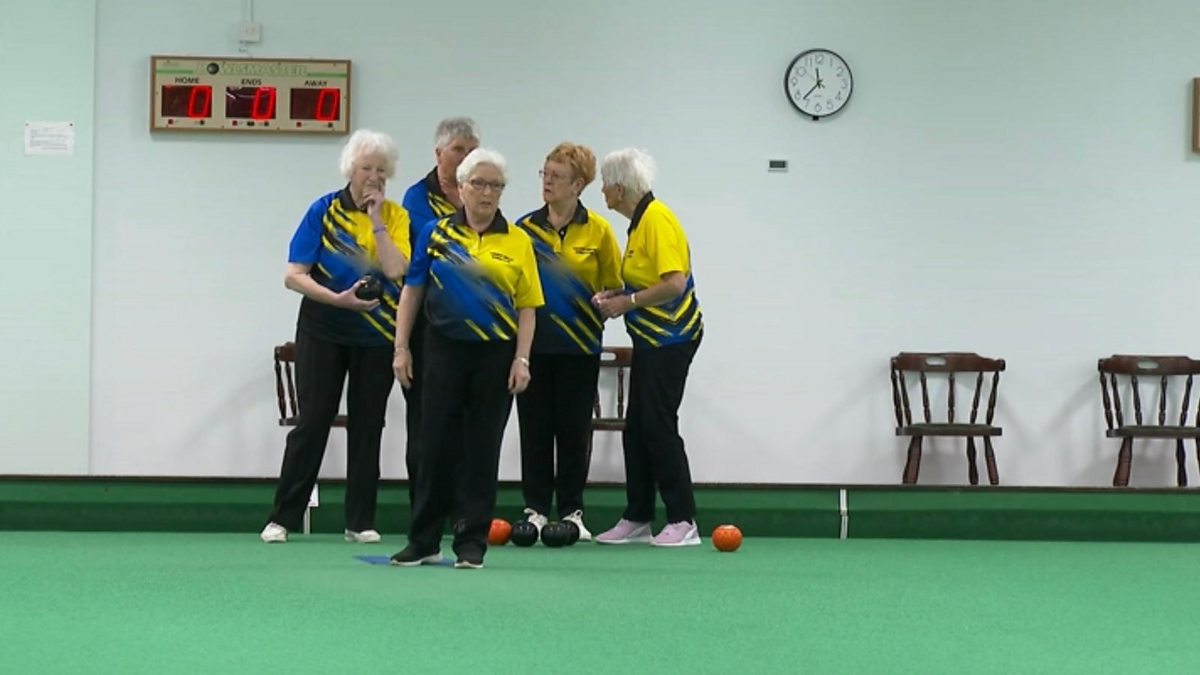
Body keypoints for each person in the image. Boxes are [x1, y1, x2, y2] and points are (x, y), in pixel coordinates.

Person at [390, 148, 543, 569]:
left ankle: (471, 541)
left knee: (481, 449)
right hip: (441, 350)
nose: (488, 193)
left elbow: (527, 306)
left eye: (496, 186)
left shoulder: (518, 241)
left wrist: (522, 359)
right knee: (432, 446)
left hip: (495, 355)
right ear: (461, 187)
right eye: (479, 184)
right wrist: (401, 347)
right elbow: (413, 291)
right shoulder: (436, 234)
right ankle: (422, 539)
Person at [261, 129, 411, 544]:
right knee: (313, 422)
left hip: (376, 335)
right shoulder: (323, 210)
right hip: (323, 329)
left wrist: (377, 219)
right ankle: (282, 517)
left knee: (369, 426)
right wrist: (337, 299)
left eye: (382, 170)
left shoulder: (397, 217)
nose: (374, 177)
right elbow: (294, 276)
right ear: (351, 169)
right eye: (367, 168)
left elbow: (396, 270)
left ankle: (359, 521)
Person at [592, 148, 704, 547]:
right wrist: (619, 295)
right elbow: (647, 280)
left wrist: (629, 303)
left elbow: (674, 282)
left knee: (657, 424)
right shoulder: (638, 224)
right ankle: (638, 516)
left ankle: (683, 519)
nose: (601, 190)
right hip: (650, 340)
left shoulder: (657, 219)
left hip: (672, 338)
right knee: (636, 427)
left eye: (605, 183)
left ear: (619, 188)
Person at [513, 143, 622, 541]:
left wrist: (605, 299)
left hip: (580, 347)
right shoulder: (523, 230)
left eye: (556, 176)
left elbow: (615, 285)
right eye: (544, 173)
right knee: (535, 429)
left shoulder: (599, 231)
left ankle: (572, 512)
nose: (547, 182)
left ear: (579, 184)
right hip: (534, 349)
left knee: (574, 432)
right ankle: (536, 508)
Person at [397, 117, 481, 506]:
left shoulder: (479, 197)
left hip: (472, 325)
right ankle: (424, 506)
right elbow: (433, 252)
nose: (466, 157)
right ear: (438, 154)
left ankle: (463, 507)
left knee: (467, 423)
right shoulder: (416, 198)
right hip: (427, 325)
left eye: (471, 150)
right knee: (427, 421)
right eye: (458, 150)